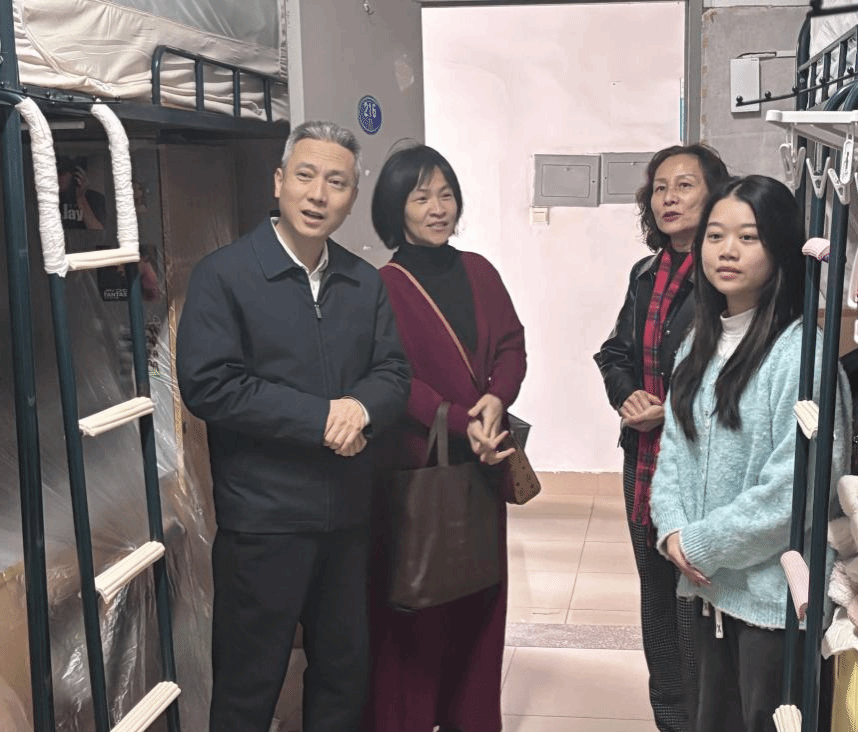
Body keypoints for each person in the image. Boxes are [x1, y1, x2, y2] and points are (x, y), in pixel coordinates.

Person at [175, 120, 411, 732]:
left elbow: (393, 371)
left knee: (342, 679)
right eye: (305, 176)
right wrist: (321, 416)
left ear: (352, 198)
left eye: (337, 182)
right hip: (263, 524)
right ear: (278, 181)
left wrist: (361, 408)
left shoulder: (362, 281)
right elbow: (209, 384)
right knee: (248, 688)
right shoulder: (224, 275)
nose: (318, 194)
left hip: (347, 520)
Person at [650, 175, 851, 732]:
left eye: (748, 237)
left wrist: (701, 543)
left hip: (775, 604)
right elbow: (673, 453)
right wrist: (673, 532)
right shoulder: (698, 343)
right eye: (715, 236)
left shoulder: (801, 355)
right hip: (711, 589)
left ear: (781, 248)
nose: (727, 251)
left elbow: (797, 489)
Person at [363, 145, 526, 732]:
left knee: (479, 600)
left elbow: (511, 344)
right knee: (417, 607)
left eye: (446, 194)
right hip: (416, 473)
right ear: (395, 209)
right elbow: (392, 376)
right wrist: (461, 420)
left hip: (483, 467)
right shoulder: (380, 286)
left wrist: (497, 399)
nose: (438, 208)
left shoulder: (480, 270)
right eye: (421, 196)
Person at [594, 144, 730, 732]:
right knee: (655, 595)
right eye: (659, 188)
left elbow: (734, 375)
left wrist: (669, 409)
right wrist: (627, 396)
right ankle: (671, 718)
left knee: (696, 594)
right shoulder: (645, 273)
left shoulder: (727, 275)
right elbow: (615, 352)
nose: (669, 198)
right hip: (644, 458)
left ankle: (705, 718)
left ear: (715, 194)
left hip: (702, 462)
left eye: (685, 185)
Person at [57, 155, 106, 230]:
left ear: (76, 175)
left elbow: (100, 232)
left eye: (61, 174)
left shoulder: (95, 199)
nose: (56, 178)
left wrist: (80, 199)